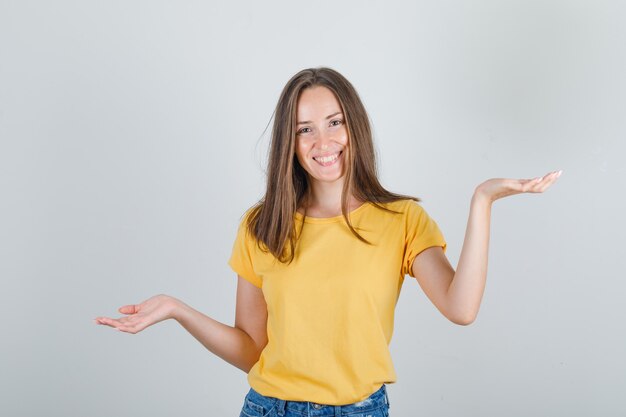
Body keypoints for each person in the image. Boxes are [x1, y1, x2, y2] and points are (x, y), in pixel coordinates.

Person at [94, 67, 561, 416]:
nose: (323, 141)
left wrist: (483, 202)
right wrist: (178, 309)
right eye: (305, 129)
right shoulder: (263, 226)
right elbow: (252, 351)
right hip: (270, 408)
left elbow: (461, 309)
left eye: (335, 122)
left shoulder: (402, 220)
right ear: (290, 143)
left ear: (353, 126)